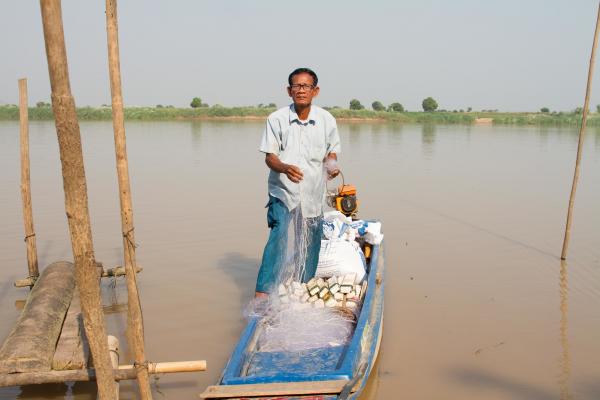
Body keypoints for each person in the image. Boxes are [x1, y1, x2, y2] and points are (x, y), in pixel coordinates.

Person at [256, 67, 341, 298]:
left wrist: (331, 167)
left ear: (315, 91)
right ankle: (264, 292)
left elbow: (331, 153)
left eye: (306, 86)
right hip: (283, 191)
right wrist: (284, 168)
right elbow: (270, 157)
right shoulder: (277, 119)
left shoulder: (326, 120)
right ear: (289, 91)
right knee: (279, 234)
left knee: (311, 240)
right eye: (296, 86)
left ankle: (303, 285)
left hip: (313, 192)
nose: (301, 90)